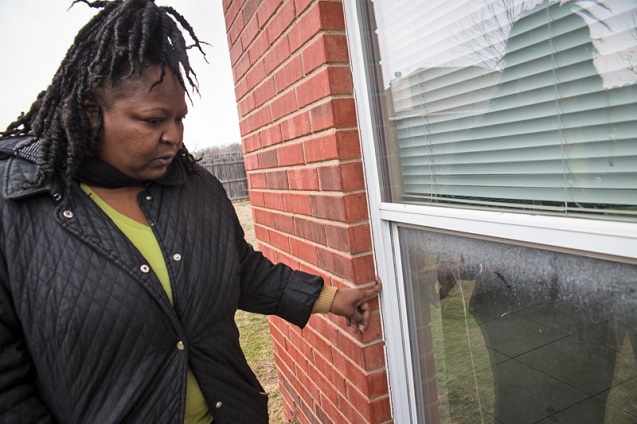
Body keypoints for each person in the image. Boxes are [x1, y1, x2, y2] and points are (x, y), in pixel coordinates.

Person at [0, 1, 381, 422]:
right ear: (91, 113)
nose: (173, 136)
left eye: (179, 119)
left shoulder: (195, 188)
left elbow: (241, 272)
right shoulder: (15, 207)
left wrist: (330, 299)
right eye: (153, 120)